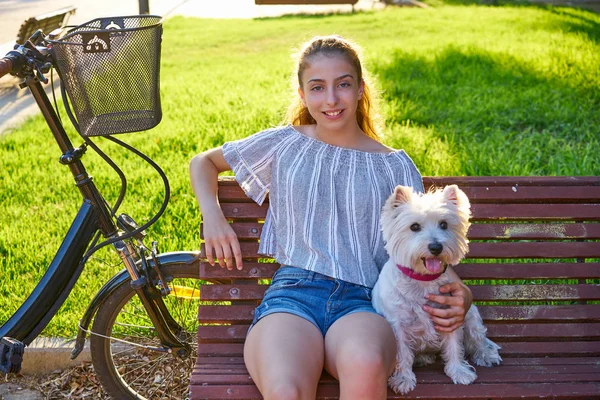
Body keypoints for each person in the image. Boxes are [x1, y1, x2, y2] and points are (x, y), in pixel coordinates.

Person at [190, 35, 473, 400]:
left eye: (343, 84)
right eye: (317, 87)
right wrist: (213, 217)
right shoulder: (284, 143)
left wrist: (462, 293)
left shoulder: (395, 165)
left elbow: (425, 245)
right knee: (287, 391)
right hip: (292, 296)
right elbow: (203, 163)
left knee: (367, 362)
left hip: (362, 300)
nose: (331, 99)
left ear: (359, 89)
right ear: (303, 94)